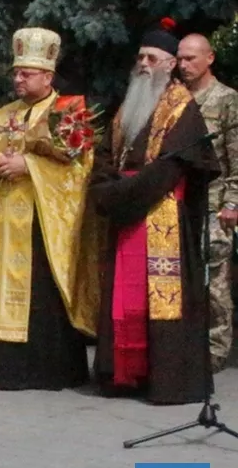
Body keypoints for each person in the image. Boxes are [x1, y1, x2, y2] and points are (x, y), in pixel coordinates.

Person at [88, 21, 220, 404]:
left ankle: (163, 380)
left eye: (152, 58)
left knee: (162, 304)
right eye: (140, 57)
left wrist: (120, 197)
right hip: (125, 214)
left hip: (160, 216)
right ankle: (123, 375)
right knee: (122, 299)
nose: (144, 64)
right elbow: (105, 158)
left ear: (169, 65)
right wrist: (103, 190)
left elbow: (170, 166)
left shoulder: (182, 107)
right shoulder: (126, 107)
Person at [0, 28, 100, 390]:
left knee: (43, 296)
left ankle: (46, 371)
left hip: (41, 228)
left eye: (26, 73)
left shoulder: (69, 112)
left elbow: (80, 169)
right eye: (16, 72)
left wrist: (31, 167)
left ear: (47, 76)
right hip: (2, 225)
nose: (18, 79)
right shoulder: (4, 113)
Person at [178, 33, 238, 373]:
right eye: (181, 58)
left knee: (216, 282)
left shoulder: (227, 99)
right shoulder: (176, 98)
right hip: (183, 203)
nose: (184, 65)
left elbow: (236, 156)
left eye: (191, 58)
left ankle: (216, 351)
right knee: (186, 279)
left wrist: (233, 203)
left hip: (217, 205)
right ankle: (187, 345)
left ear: (210, 58)